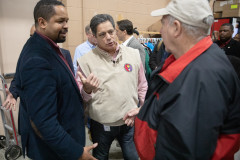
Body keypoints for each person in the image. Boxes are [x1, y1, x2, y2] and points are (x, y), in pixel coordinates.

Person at [134, 0, 240, 159]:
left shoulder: (201, 77)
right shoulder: (196, 63)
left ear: (176, 28)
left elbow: (186, 152)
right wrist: (148, 110)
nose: (161, 31)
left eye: (163, 24)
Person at [12, 1, 98, 159]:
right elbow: (43, 122)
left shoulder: (49, 48)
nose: (66, 26)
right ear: (42, 22)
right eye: (60, 21)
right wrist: (77, 153)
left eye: (67, 21)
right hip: (53, 151)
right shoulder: (37, 59)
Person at [76, 14, 148, 160]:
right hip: (102, 126)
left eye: (111, 32)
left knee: (133, 156)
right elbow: (81, 97)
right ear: (94, 37)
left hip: (129, 122)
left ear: (116, 32)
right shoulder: (85, 62)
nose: (108, 37)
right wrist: (87, 89)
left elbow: (142, 85)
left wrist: (142, 110)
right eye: (102, 34)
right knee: (100, 156)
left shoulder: (133, 54)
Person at [3, 24, 74, 110]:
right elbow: (18, 78)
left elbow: (70, 82)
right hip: (30, 108)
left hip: (55, 107)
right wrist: (13, 94)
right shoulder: (27, 54)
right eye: (31, 36)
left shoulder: (64, 54)